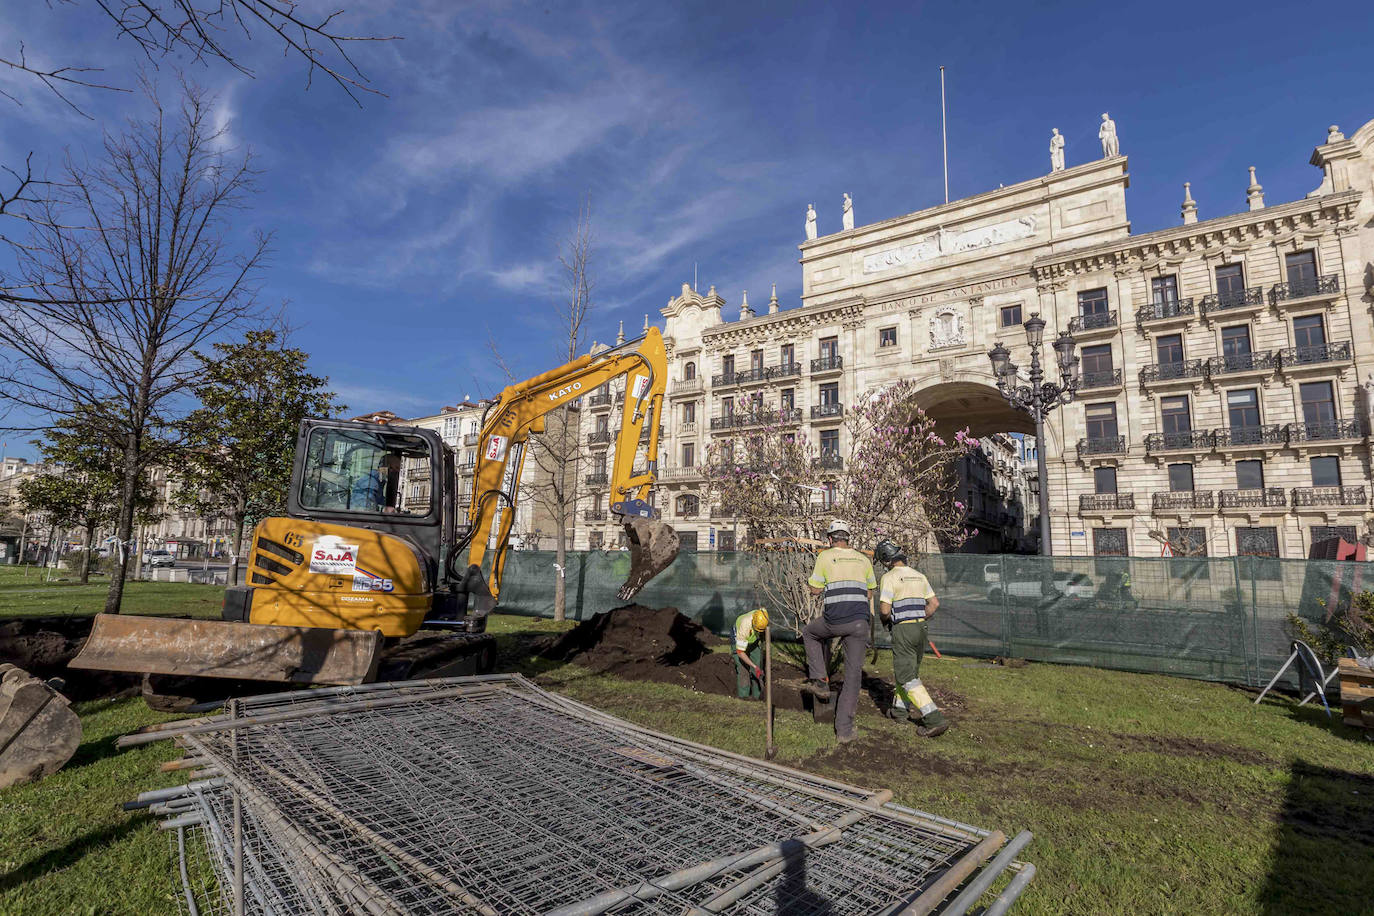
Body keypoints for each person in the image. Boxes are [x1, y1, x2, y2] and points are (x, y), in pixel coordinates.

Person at [801, 520, 877, 743]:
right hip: (859, 624)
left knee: (809, 633)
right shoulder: (864, 559)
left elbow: (815, 590)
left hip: (834, 620)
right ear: (848, 539)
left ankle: (820, 681)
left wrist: (813, 585)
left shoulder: (825, 556)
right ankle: (844, 731)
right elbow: (870, 594)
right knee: (853, 677)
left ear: (831, 539)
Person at [875, 540, 948, 737]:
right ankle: (899, 710)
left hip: (903, 630)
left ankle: (934, 718)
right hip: (920, 628)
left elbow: (884, 609)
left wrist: (886, 619)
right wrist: (919, 616)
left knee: (907, 676)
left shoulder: (889, 577)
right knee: (909, 671)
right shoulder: (919, 576)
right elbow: (934, 604)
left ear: (886, 560)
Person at [732, 608, 769, 700]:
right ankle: (744, 696)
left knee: (757, 667)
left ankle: (758, 696)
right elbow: (740, 653)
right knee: (743, 668)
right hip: (739, 637)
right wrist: (753, 666)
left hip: (753, 640)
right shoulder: (744, 626)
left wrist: (756, 667)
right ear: (753, 622)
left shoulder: (763, 615)